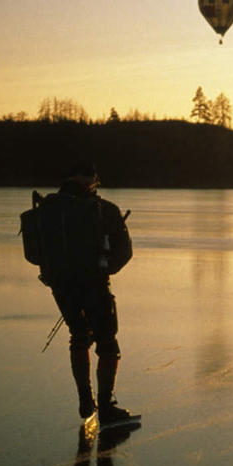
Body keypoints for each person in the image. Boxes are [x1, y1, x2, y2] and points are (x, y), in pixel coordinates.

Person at [38, 160, 134, 423]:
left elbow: (35, 252)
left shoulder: (46, 208)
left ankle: (85, 401)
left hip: (60, 285)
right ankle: (105, 407)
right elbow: (124, 252)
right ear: (89, 180)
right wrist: (106, 269)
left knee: (79, 336)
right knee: (107, 343)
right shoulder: (104, 209)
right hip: (95, 285)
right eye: (94, 180)